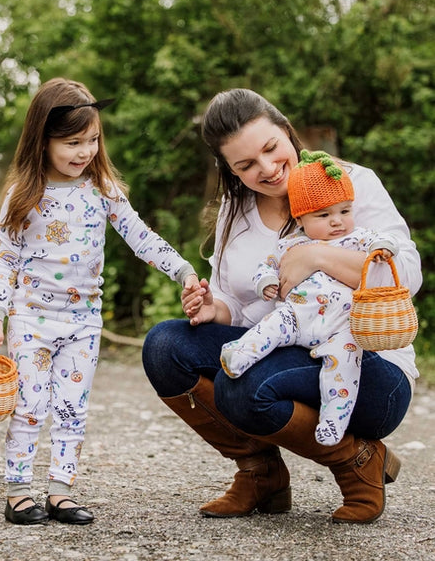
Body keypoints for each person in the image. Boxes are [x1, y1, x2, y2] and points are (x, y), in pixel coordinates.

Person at [142, 88, 422, 524]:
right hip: (280, 345)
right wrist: (212, 309)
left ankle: (357, 460)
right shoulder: (235, 210)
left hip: (368, 367)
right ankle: (261, 474)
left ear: (287, 132)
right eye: (246, 165)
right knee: (164, 345)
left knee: (244, 385)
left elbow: (407, 275)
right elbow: (234, 302)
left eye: (271, 149)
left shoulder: (350, 181)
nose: (267, 169)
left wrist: (318, 255)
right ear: (230, 170)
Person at [0, 78, 198, 526]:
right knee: (30, 405)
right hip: (31, 319)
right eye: (72, 142)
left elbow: (141, 237)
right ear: (43, 141)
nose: (84, 151)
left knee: (73, 406)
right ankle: (18, 490)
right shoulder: (24, 195)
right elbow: (5, 258)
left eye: (93, 140)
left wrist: (183, 270)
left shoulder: (101, 189)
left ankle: (61, 490)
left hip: (83, 322)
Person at [220, 149, 400, 446]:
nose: (337, 221)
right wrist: (265, 281)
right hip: (297, 317)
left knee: (343, 367)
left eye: (345, 211)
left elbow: (383, 241)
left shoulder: (356, 238)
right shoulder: (292, 242)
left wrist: (383, 245)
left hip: (342, 326)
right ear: (300, 218)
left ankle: (333, 422)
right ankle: (240, 354)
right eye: (324, 215)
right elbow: (268, 265)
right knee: (271, 325)